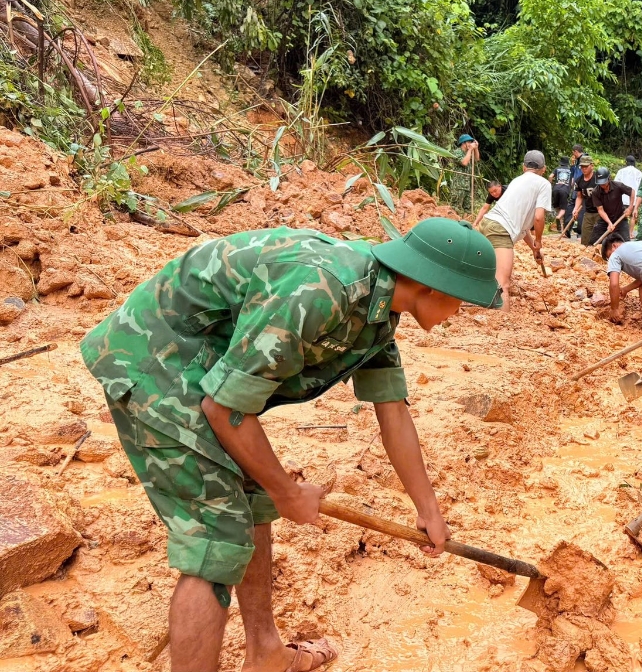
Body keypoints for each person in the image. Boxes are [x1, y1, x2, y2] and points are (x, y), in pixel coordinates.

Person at [79, 218, 501, 672]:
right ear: (432, 287)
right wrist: (287, 493)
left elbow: (393, 410)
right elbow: (223, 411)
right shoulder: (322, 290)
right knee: (216, 542)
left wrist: (428, 508)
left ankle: (266, 654)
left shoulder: (377, 312)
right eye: (462, 301)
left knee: (252, 501)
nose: (461, 312)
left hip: (206, 370)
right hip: (154, 360)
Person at [477, 150, 552, 311]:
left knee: (487, 275)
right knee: (502, 282)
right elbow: (539, 218)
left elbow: (522, 228)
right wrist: (539, 241)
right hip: (499, 231)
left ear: (524, 168)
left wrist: (534, 247)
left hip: (487, 224)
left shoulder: (516, 181)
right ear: (544, 169)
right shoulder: (544, 184)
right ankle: (503, 326)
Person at [588, 167, 635, 245]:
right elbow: (600, 210)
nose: (602, 185)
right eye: (600, 183)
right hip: (605, 220)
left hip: (620, 218)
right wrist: (609, 223)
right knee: (594, 240)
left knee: (626, 243)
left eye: (604, 182)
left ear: (609, 178)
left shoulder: (618, 186)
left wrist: (630, 208)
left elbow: (632, 192)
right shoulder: (596, 192)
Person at [571, 155, 601, 244]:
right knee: (585, 241)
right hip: (588, 212)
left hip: (601, 212)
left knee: (599, 240)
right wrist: (575, 209)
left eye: (586, 166)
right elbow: (580, 197)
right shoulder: (579, 181)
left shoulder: (599, 178)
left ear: (592, 165)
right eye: (582, 167)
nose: (584, 169)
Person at [449, 134, 480, 211]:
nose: (470, 144)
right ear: (463, 143)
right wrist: (470, 150)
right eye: (469, 142)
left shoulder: (469, 153)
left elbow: (477, 159)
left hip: (467, 185)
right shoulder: (457, 152)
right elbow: (464, 163)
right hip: (458, 186)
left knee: (468, 209)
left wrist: (476, 148)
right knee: (455, 208)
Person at [551, 157, 574, 233]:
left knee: (557, 207)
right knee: (563, 209)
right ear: (567, 163)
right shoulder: (570, 170)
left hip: (555, 189)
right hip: (565, 190)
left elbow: (550, 176)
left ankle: (560, 227)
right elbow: (572, 182)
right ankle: (558, 218)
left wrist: (549, 184)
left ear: (560, 162)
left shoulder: (557, 169)